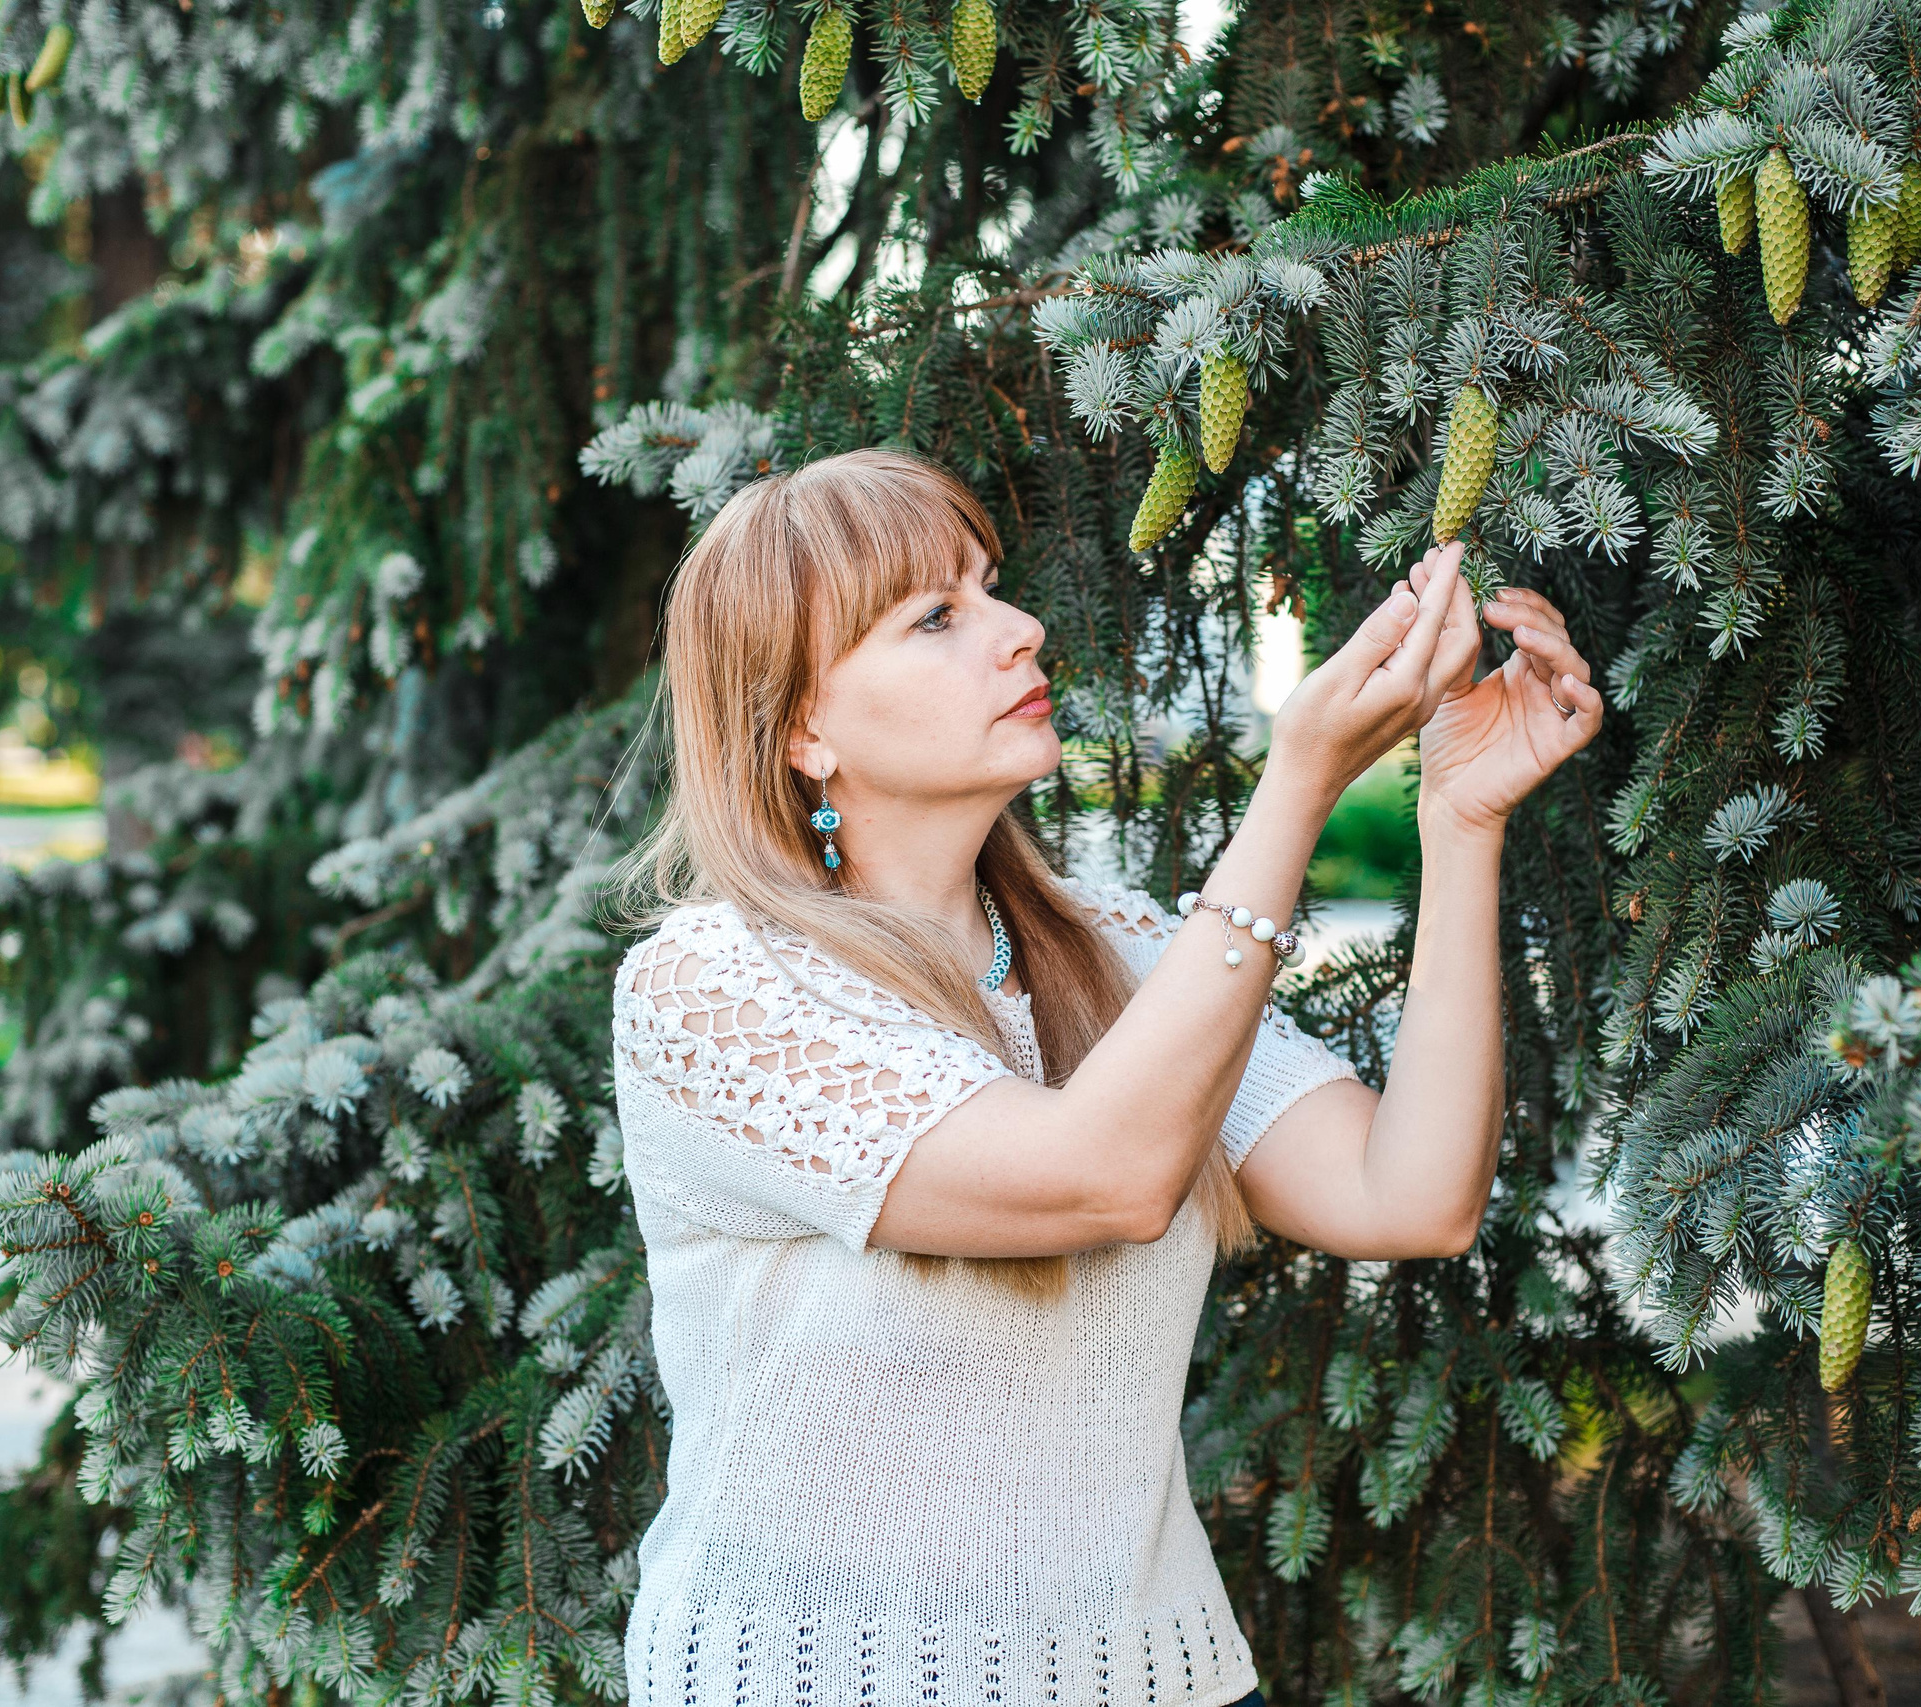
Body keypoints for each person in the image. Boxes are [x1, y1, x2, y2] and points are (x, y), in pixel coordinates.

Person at [600, 447, 1602, 1707]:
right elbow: (1101, 1178)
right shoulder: (717, 985)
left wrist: (1461, 822)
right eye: (936, 617)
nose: (1020, 632)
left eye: (992, 590)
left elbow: (1406, 1196)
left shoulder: (1118, 951)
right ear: (805, 728)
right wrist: (1295, 786)